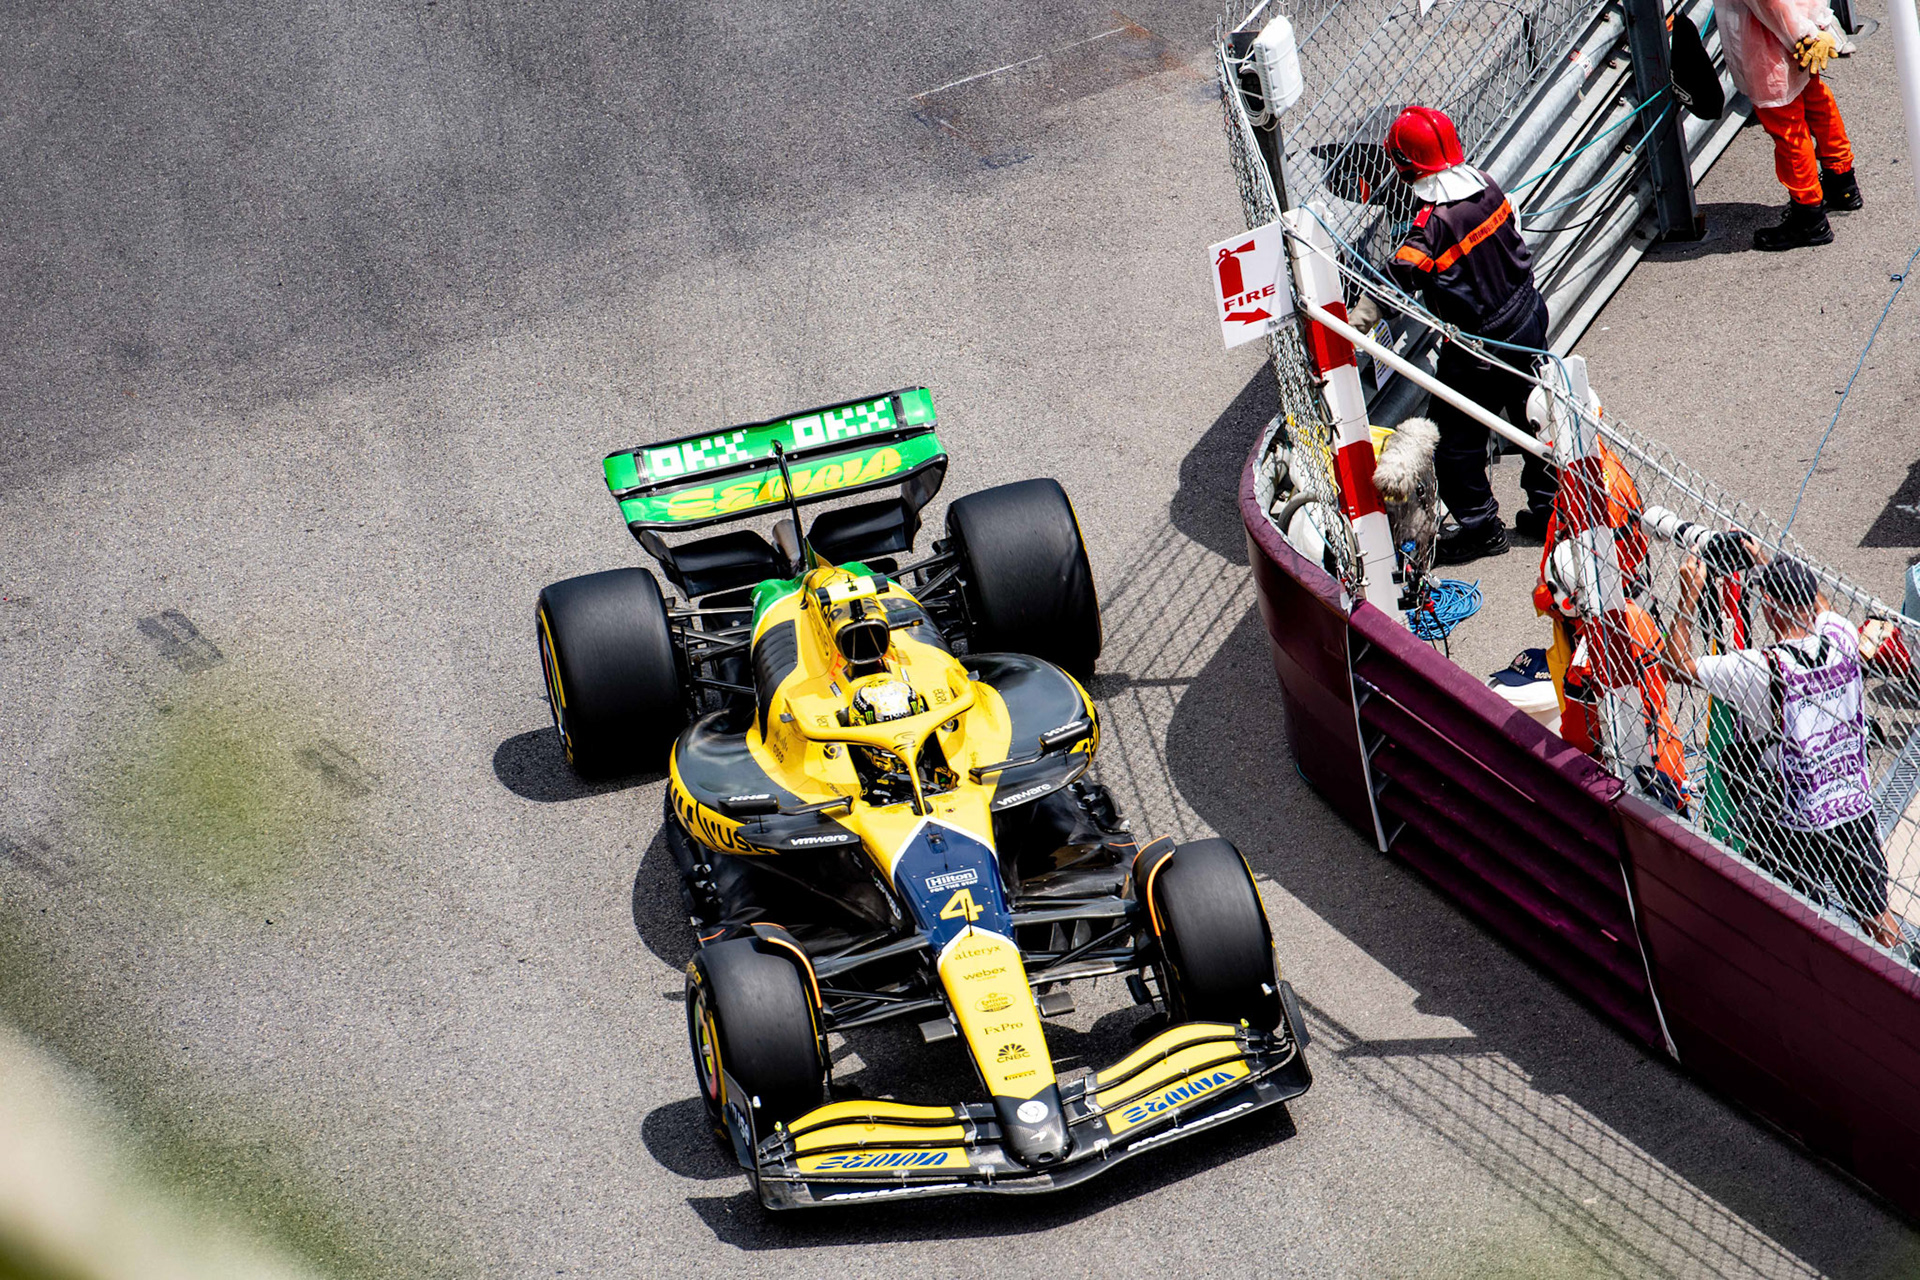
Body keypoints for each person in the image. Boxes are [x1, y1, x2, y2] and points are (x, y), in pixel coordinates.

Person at [1347, 105, 1554, 565]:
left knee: (1454, 440)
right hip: (1529, 320)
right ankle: (1550, 512)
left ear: (1405, 166)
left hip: (1479, 348)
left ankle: (1481, 528)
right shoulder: (1487, 185)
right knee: (1536, 419)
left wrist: (1348, 328)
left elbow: (1391, 284)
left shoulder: (1430, 229)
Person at [1665, 547, 1899, 944]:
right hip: (1851, 806)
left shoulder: (1762, 667)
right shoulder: (1841, 635)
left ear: (1770, 606)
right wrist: (1767, 559)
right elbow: (1821, 602)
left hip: (1791, 822)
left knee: (1786, 921)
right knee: (1877, 917)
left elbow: (1676, 666)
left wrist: (1690, 592)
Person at [1718, 0, 1862, 250]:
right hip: (1804, 29)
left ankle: (1809, 219)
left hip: (1774, 45)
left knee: (1788, 130)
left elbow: (1771, 4)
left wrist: (1805, 35)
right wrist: (1817, 28)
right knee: (1816, 100)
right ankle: (1842, 183)